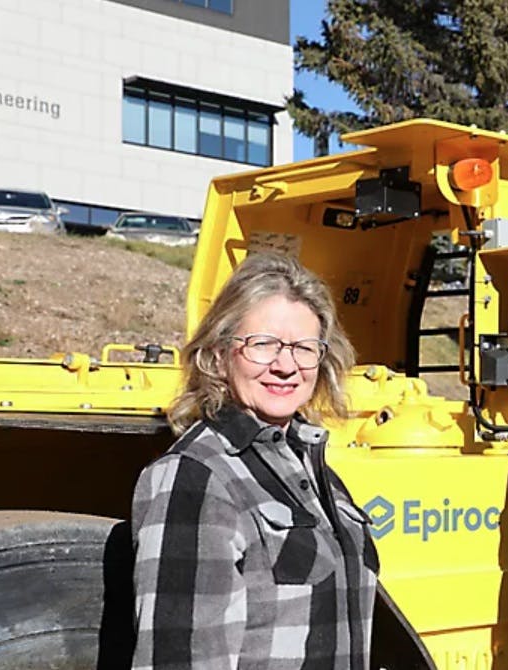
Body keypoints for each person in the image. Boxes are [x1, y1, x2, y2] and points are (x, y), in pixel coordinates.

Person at [131, 253, 379, 670]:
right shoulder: (197, 477)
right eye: (262, 345)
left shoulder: (314, 471)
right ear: (218, 354)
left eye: (304, 348)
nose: (286, 366)